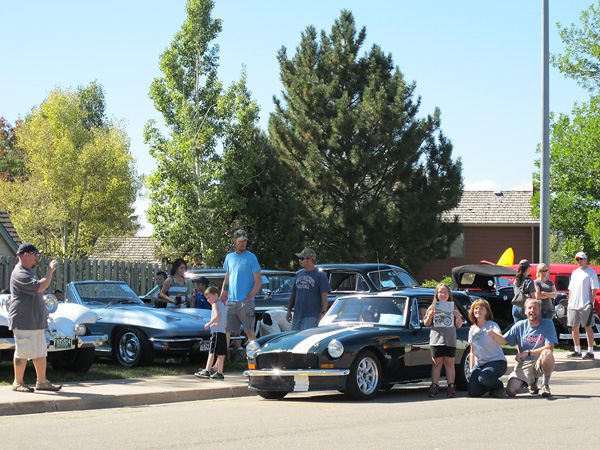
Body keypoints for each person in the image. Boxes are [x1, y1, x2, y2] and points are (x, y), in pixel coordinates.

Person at [9, 243, 62, 392]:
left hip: (35, 320)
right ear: (25, 255)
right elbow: (41, 286)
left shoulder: (29, 271)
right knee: (23, 352)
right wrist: (50, 270)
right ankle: (17, 383)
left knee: (40, 352)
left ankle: (42, 381)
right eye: (34, 254)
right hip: (23, 320)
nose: (36, 257)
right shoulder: (20, 273)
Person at [487, 298, 557, 397]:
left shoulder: (548, 324)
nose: (532, 311)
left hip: (540, 361)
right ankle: (532, 381)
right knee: (511, 391)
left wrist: (527, 353)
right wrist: (494, 335)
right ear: (525, 311)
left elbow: (549, 348)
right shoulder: (519, 326)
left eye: (535, 308)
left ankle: (545, 385)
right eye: (529, 308)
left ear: (540, 310)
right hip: (525, 363)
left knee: (547, 354)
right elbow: (503, 341)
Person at [221, 230, 261, 353]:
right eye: (241, 240)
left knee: (249, 331)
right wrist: (222, 296)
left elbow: (258, 281)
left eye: (245, 240)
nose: (243, 243)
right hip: (231, 301)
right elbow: (227, 279)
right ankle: (219, 364)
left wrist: (249, 298)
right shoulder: (229, 257)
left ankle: (256, 358)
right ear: (234, 241)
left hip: (245, 303)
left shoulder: (251, 257)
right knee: (225, 331)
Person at [423, 284, 463, 398]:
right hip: (436, 339)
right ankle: (434, 386)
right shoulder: (432, 307)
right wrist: (429, 316)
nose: (443, 294)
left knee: (449, 364)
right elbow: (426, 324)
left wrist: (458, 316)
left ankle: (451, 387)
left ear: (449, 294)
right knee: (437, 364)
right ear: (437, 294)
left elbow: (459, 325)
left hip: (450, 339)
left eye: (445, 292)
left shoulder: (453, 307)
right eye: (441, 292)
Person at [467, 299, 507, 397]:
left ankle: (499, 387)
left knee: (484, 377)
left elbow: (502, 341)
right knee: (473, 393)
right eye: (476, 308)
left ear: (486, 312)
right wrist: (472, 368)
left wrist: (494, 335)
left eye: (481, 308)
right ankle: (489, 385)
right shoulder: (472, 329)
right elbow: (472, 351)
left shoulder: (492, 325)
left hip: (496, 362)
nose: (478, 310)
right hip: (480, 365)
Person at [286, 248, 330, 331]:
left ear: (310, 260)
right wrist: (289, 310)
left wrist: (323, 312)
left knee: (308, 339)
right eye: (299, 259)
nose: (300, 261)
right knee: (295, 339)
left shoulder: (320, 275)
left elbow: (324, 295)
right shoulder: (298, 274)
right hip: (297, 315)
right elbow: (293, 293)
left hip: (312, 316)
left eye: (302, 258)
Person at [567, 251, 599, 360]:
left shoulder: (591, 272)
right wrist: (570, 301)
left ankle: (590, 351)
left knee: (587, 327)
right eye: (577, 259)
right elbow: (570, 288)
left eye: (581, 259)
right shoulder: (575, 272)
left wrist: (591, 302)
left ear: (585, 259)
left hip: (585, 304)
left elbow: (594, 288)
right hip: (573, 304)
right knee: (574, 327)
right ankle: (577, 350)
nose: (579, 261)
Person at [195, 286, 227, 380]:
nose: (208, 300)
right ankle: (220, 372)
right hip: (222, 331)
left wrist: (208, 324)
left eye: (209, 297)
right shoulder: (223, 305)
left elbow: (216, 317)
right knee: (221, 354)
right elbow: (225, 322)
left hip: (216, 331)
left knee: (212, 352)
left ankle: (207, 370)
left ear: (216, 295)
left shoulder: (215, 305)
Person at [512, 259, 535, 323]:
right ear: (528, 268)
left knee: (518, 328)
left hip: (515, 307)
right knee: (528, 327)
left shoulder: (516, 281)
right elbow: (533, 297)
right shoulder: (529, 281)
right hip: (525, 307)